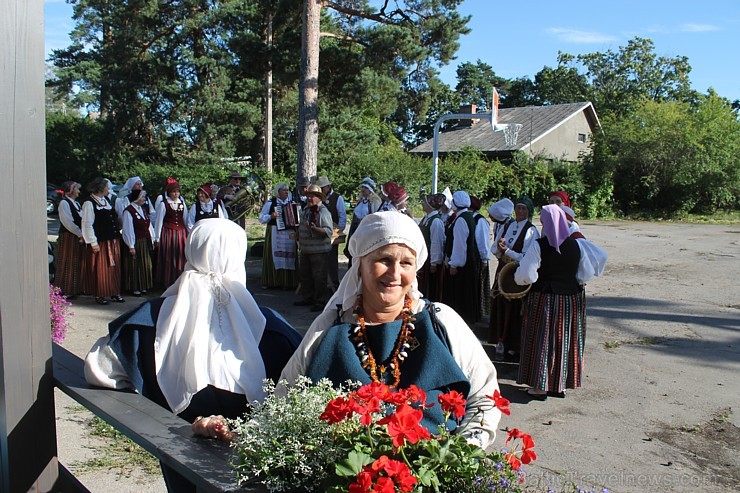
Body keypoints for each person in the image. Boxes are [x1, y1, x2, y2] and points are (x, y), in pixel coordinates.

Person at [83, 218, 302, 492]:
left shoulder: (148, 321)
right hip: (255, 463)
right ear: (238, 257)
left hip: (177, 452)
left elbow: (98, 369)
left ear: (192, 250)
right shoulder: (272, 328)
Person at [279, 211, 501, 449]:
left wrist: (456, 457)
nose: (395, 274)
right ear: (359, 264)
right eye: (384, 259)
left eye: (406, 263)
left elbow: (485, 397)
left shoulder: (442, 322)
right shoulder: (329, 328)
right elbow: (284, 400)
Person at [514, 205, 595, 400]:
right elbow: (586, 274)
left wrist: (519, 279)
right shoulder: (577, 245)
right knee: (564, 340)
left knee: (542, 340)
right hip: (570, 301)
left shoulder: (538, 245)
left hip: (545, 299)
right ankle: (560, 386)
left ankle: (540, 387)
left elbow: (526, 275)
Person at [489, 195, 539, 359]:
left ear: (529, 211)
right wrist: (500, 248)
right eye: (518, 208)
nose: (520, 211)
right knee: (500, 305)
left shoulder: (531, 231)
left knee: (514, 307)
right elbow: (496, 247)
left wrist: (508, 251)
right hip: (503, 268)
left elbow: (527, 256)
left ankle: (514, 345)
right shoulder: (509, 225)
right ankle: (500, 341)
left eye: (524, 208)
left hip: (516, 273)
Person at [81, 177, 125, 305]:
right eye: (107, 187)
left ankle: (114, 291)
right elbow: (87, 224)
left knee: (114, 266)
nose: (109, 189)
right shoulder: (89, 203)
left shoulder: (105, 201)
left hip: (112, 239)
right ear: (101, 188)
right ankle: (100, 293)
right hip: (101, 241)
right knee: (102, 268)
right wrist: (92, 242)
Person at [443, 191, 481, 324]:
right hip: (468, 261)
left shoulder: (461, 220)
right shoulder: (467, 216)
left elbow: (460, 244)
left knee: (460, 295)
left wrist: (455, 264)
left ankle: (462, 321)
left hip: (462, 265)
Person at [294, 185, 333, 312]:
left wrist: (314, 229)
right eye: (308, 196)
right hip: (305, 249)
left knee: (319, 277)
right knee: (305, 275)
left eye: (312, 196)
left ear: (318, 198)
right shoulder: (306, 210)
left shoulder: (323, 212)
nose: (309, 198)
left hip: (319, 251)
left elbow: (328, 231)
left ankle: (320, 301)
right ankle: (308, 298)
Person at [258, 182, 299, 290]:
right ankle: (272, 281)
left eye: (287, 190)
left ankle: (288, 282)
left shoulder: (292, 203)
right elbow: (261, 218)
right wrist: (271, 216)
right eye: (284, 190)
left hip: (289, 233)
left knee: (289, 256)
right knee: (275, 257)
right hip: (275, 232)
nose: (286, 192)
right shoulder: (271, 203)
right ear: (278, 192)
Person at [54, 180, 86, 298]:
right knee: (67, 261)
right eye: (77, 189)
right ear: (71, 191)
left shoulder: (76, 203)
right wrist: (79, 233)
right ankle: (64, 289)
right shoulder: (64, 203)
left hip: (76, 236)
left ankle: (74, 288)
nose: (78, 191)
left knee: (76, 261)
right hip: (68, 236)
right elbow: (67, 222)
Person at [154, 180, 188, 288]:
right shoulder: (164, 204)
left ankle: (180, 280)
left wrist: (188, 233)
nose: (176, 194)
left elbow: (185, 219)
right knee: (169, 256)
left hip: (181, 233)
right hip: (168, 234)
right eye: (174, 192)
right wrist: (157, 238)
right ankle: (167, 281)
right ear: (169, 193)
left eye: (177, 192)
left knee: (181, 256)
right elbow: (159, 221)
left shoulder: (182, 203)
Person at [121, 189, 155, 296]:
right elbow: (128, 228)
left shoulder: (142, 209)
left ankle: (143, 285)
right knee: (135, 264)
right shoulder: (128, 211)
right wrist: (131, 245)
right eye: (142, 197)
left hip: (144, 240)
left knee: (145, 263)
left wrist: (152, 239)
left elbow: (148, 225)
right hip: (136, 241)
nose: (144, 199)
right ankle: (134, 287)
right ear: (136, 198)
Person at [316, 176, 347, 291]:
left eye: (323, 188)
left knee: (332, 260)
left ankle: (334, 284)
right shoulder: (320, 198)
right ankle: (322, 284)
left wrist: (339, 230)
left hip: (333, 234)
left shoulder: (337, 198)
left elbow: (342, 216)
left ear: (328, 187)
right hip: (321, 233)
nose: (321, 190)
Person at [345, 177, 381, 267]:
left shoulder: (374, 201)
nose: (363, 190)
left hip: (366, 231)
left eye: (365, 188)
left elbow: (375, 217)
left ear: (370, 190)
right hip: (356, 230)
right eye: (363, 187)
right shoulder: (361, 201)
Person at [416, 193, 446, 302]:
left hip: (430, 258)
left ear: (430, 205)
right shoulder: (427, 218)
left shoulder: (436, 221)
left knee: (430, 285)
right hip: (425, 256)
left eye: (425, 202)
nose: (423, 204)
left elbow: (436, 243)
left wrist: (434, 262)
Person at [470, 196, 492, 320]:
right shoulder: (468, 218)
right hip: (472, 256)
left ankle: (482, 310)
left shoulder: (480, 220)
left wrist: (484, 258)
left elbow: (483, 241)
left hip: (478, 257)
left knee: (480, 283)